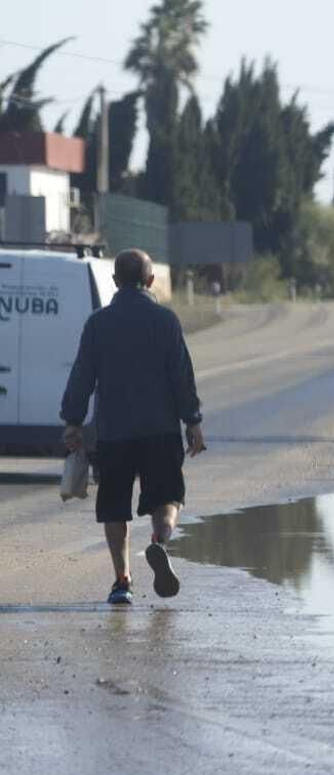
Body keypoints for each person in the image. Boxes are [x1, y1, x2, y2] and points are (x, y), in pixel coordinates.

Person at [60, 249, 206, 606]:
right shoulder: (166, 321)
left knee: (114, 508)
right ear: (151, 280)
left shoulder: (98, 324)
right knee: (168, 498)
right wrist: (193, 421)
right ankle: (158, 543)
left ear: (115, 281)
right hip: (160, 430)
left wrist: (73, 421)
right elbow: (182, 377)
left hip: (113, 433)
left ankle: (122, 581)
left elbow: (82, 375)